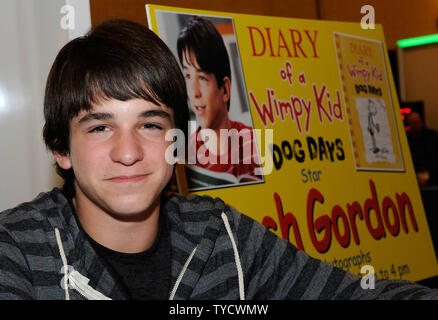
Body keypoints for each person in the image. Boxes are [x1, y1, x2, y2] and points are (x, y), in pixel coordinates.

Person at [0, 19, 437, 300]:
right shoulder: (16, 252)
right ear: (61, 148)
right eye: (100, 127)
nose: (129, 152)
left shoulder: (220, 232)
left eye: (150, 124)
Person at [177, 16, 262, 188]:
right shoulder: (185, 157)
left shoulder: (253, 142)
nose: (193, 92)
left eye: (202, 77)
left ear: (225, 89)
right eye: (187, 76)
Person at [406, 111, 438, 188]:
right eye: (411, 123)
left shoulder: (433, 137)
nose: (413, 125)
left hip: (433, 178)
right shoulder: (406, 140)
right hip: (413, 179)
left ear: (421, 122)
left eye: (415, 122)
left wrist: (428, 177)